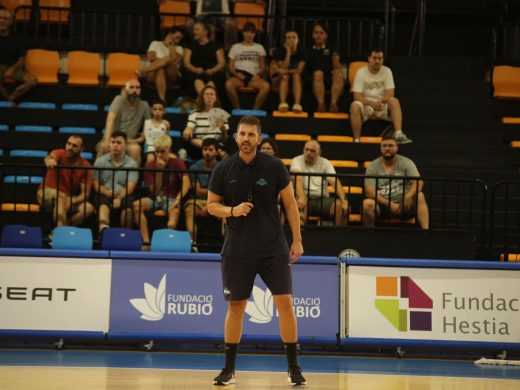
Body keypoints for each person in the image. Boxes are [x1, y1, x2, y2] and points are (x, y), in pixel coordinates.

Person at [207, 115, 306, 386]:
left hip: (273, 248)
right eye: (242, 134)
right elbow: (210, 206)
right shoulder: (223, 169)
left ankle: (294, 368)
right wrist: (232, 211)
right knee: (236, 307)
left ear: (259, 138)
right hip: (238, 249)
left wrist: (296, 240)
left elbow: (290, 204)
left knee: (285, 304)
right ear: (236, 137)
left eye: (252, 134)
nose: (246, 139)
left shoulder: (274, 166)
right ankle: (228, 369)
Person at [133, 134, 190, 245]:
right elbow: (155, 192)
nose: (159, 155)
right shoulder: (150, 165)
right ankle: (146, 242)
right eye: (156, 152)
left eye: (162, 151)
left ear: (168, 150)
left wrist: (178, 201)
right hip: (154, 199)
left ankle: (167, 242)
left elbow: (186, 183)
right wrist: (159, 171)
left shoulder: (178, 162)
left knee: (175, 211)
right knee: (136, 205)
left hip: (172, 199)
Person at [362, 135, 429, 229]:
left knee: (420, 196)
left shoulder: (406, 162)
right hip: (382, 206)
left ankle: (426, 232)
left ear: (396, 148)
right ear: (380, 148)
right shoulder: (373, 166)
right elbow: (369, 192)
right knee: (367, 204)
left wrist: (407, 197)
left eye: (390, 145)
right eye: (384, 146)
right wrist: (389, 204)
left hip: (405, 204)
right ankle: (368, 236)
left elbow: (418, 183)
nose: (387, 148)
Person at [350, 48, 412, 144]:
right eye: (375, 58)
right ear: (369, 59)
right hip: (366, 105)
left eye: (380, 58)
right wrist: (371, 103)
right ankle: (357, 140)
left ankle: (398, 134)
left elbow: (390, 93)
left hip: (381, 104)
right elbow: (357, 96)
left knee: (394, 101)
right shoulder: (361, 72)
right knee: (354, 106)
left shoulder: (387, 71)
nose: (377, 61)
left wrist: (380, 101)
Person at [37, 135, 94, 227]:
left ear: (82, 149)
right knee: (61, 197)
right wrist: (50, 161)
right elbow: (50, 158)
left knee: (88, 208)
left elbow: (85, 194)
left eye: (75, 146)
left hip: (67, 198)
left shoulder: (86, 166)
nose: (70, 147)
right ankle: (61, 234)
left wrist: (71, 201)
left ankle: (60, 231)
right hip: (46, 192)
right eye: (69, 144)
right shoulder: (59, 153)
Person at [290, 139, 349, 227]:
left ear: (319, 152)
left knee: (341, 207)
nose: (308, 153)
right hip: (304, 197)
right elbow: (297, 178)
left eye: (312, 151)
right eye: (306, 149)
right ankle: (299, 239)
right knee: (299, 207)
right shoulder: (297, 160)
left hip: (322, 199)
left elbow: (334, 181)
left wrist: (344, 200)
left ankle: (339, 237)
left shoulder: (325, 162)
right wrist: (302, 197)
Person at [93, 131, 139, 235]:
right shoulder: (100, 162)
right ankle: (104, 232)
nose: (115, 145)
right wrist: (108, 193)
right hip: (104, 193)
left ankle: (125, 236)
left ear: (125, 145)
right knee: (103, 205)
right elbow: (96, 185)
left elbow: (131, 187)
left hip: (123, 194)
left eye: (119, 142)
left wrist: (119, 197)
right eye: (113, 142)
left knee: (128, 210)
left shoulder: (132, 164)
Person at [97, 79, 151, 166]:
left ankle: (133, 179)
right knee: (103, 147)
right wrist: (107, 141)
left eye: (137, 88)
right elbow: (110, 119)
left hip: (129, 141)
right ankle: (97, 178)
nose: (135, 90)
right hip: (113, 138)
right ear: (125, 90)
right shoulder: (118, 99)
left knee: (136, 149)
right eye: (131, 87)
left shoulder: (144, 105)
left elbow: (148, 128)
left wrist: (136, 140)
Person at [225, 22, 270, 110]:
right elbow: (230, 66)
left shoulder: (259, 47)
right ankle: (237, 109)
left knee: (266, 86)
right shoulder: (235, 47)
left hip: (254, 77)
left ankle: (255, 110)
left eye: (251, 32)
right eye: (246, 32)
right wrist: (236, 74)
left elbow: (263, 65)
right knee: (228, 84)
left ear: (254, 34)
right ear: (243, 33)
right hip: (239, 75)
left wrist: (259, 75)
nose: (249, 35)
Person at [184, 137, 220, 243]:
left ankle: (227, 246)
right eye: (205, 149)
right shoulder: (194, 168)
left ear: (216, 151)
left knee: (228, 214)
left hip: (217, 202)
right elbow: (198, 191)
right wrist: (213, 192)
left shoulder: (222, 168)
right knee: (189, 209)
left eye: (210, 150)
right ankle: (192, 242)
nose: (207, 152)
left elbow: (222, 191)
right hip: (198, 201)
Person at [136, 27, 184, 103]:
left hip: (171, 75)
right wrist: (163, 63)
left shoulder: (179, 48)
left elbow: (174, 60)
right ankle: (162, 100)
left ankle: (143, 71)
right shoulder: (155, 43)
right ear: (170, 34)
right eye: (176, 37)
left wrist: (171, 45)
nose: (178, 41)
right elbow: (151, 57)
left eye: (180, 39)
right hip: (153, 74)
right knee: (161, 69)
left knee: (167, 60)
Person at [0, 8, 37, 105]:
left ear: (10, 21)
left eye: (5, 18)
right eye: (0, 18)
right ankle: (10, 102)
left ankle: (11, 98)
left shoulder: (17, 38)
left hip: (13, 67)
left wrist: (12, 69)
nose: (2, 21)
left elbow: (22, 58)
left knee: (32, 81)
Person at [307, 22, 344, 113]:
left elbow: (337, 66)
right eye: (316, 33)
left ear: (326, 36)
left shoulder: (332, 48)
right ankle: (321, 104)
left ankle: (333, 104)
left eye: (321, 33)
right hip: (314, 78)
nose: (318, 35)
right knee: (318, 73)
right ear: (312, 35)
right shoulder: (308, 50)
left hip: (328, 78)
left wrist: (336, 61)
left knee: (338, 73)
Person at [182, 85, 229, 155]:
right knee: (193, 140)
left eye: (212, 94)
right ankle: (217, 151)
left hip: (216, 143)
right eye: (206, 94)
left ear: (215, 98)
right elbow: (189, 129)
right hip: (199, 146)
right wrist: (187, 131)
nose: (209, 96)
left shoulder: (221, 114)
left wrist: (223, 130)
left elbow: (225, 139)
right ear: (202, 97)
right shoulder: (195, 113)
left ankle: (215, 150)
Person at [183, 20, 226, 96]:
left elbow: (222, 63)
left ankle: (208, 103)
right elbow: (186, 62)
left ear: (205, 32)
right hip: (194, 72)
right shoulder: (190, 46)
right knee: (197, 80)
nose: (194, 32)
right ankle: (204, 103)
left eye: (197, 30)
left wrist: (212, 70)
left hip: (213, 73)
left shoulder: (216, 46)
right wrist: (195, 70)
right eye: (194, 30)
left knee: (211, 83)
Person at [270, 30, 306, 113]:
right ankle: (282, 103)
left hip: (295, 80)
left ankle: (297, 104)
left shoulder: (302, 51)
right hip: (279, 78)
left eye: (294, 37)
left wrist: (285, 71)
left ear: (298, 40)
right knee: (285, 76)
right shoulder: (280, 51)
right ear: (285, 41)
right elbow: (283, 67)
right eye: (289, 38)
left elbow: (299, 70)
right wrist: (288, 53)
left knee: (296, 75)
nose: (292, 40)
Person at [135, 99, 171, 165]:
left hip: (161, 148)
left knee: (170, 158)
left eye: (160, 109)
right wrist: (131, 141)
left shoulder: (166, 124)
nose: (157, 111)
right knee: (150, 158)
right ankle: (147, 174)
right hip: (149, 147)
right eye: (155, 109)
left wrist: (168, 128)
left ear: (164, 111)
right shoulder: (146, 122)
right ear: (151, 110)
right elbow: (143, 138)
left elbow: (167, 139)